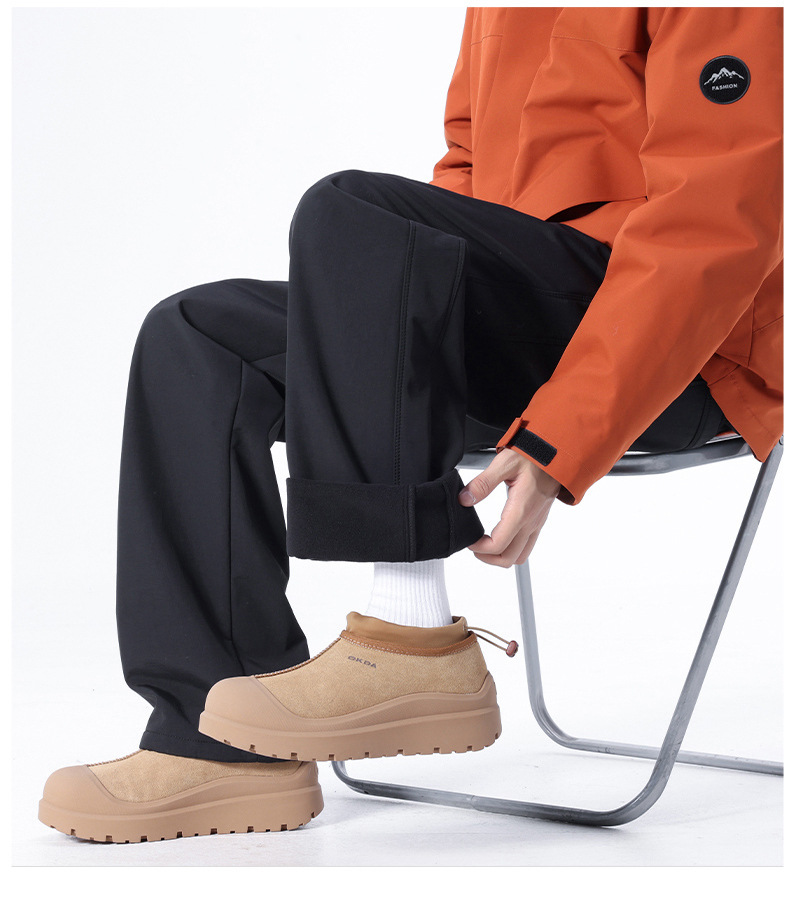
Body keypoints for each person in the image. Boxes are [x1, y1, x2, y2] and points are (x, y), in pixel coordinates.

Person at [38, 6, 782, 844]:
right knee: (199, 337)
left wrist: (559, 436)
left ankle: (413, 635)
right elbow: (464, 176)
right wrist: (400, 314)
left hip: (689, 352)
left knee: (352, 210)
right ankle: (218, 743)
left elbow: (718, 223)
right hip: (531, 317)